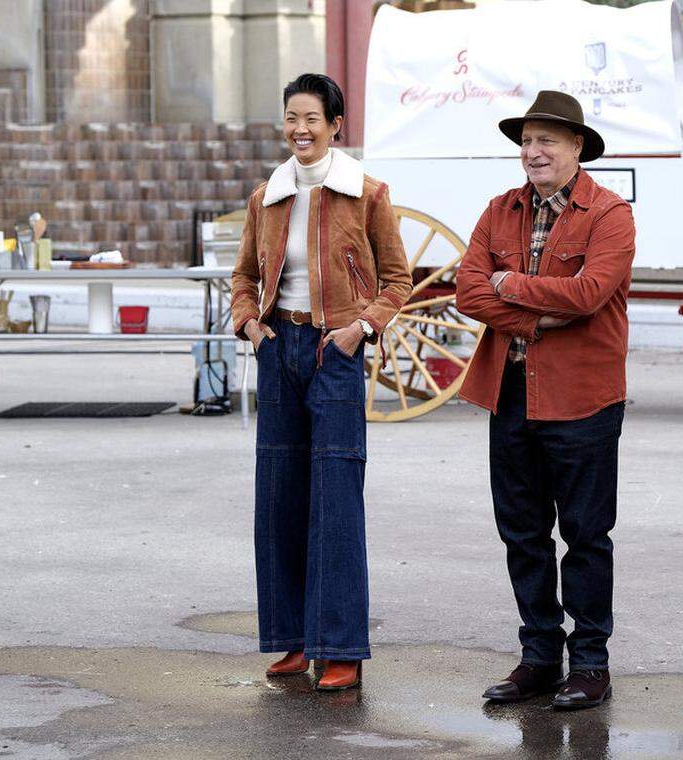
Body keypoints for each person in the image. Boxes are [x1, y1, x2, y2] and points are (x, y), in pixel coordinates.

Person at [230, 73, 412, 691]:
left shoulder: (368, 193)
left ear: (336, 124)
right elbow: (243, 278)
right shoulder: (267, 196)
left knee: (336, 495)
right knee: (279, 495)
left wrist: (362, 328)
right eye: (290, 118)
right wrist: (251, 327)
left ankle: (339, 649)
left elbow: (397, 280)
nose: (299, 129)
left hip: (336, 349)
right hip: (279, 347)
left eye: (311, 118)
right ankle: (290, 641)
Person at [455, 90, 635, 710]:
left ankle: (590, 663)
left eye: (548, 140)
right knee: (522, 533)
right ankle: (538, 657)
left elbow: (587, 294)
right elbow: (468, 291)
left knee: (587, 535)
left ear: (577, 147)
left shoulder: (610, 214)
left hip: (584, 398)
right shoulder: (499, 209)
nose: (533, 151)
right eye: (527, 140)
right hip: (509, 395)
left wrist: (511, 287)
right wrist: (534, 318)